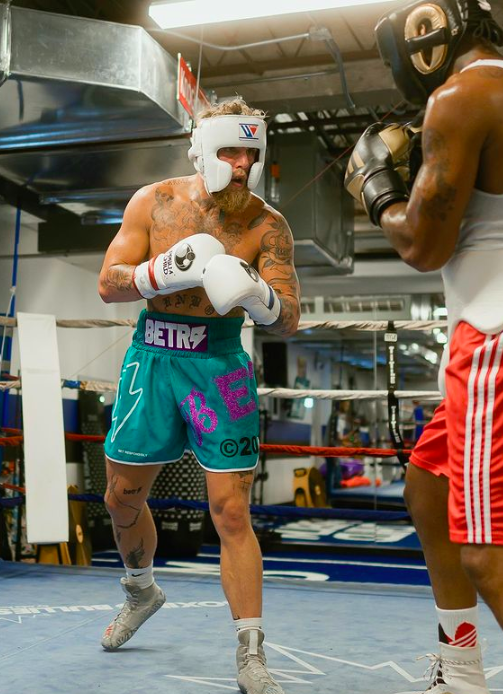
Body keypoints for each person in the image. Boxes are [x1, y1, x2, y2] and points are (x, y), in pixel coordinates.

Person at [98, 98, 301, 694]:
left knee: (231, 511)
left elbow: (288, 317)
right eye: (229, 152)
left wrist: (258, 296)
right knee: (119, 499)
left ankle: (252, 653)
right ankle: (141, 592)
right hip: (152, 359)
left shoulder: (268, 225)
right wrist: (156, 274)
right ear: (201, 150)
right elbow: (108, 284)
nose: (241, 165)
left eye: (251, 153)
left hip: (220, 365)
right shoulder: (154, 202)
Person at [344, 1, 503, 692]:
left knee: (485, 555)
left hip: (493, 337)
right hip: (484, 325)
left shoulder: (462, 96)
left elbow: (421, 244)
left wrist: (376, 189)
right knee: (426, 487)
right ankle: (460, 666)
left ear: (428, 36)